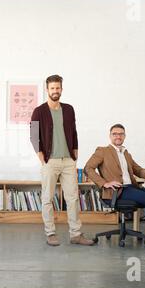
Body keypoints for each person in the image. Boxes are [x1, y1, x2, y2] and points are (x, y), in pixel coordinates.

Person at [30, 74, 94, 246]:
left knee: (72, 198)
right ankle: (50, 233)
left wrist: (75, 150)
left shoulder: (69, 109)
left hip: (68, 161)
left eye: (58, 88)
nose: (55, 91)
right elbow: (33, 135)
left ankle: (75, 234)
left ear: (61, 89)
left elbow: (73, 131)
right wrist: (40, 155)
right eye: (52, 88)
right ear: (47, 90)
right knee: (47, 198)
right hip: (50, 161)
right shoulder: (39, 111)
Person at [84, 124, 145, 247]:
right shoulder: (102, 151)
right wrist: (105, 183)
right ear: (110, 136)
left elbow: (137, 169)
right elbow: (88, 168)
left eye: (121, 134)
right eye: (115, 134)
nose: (118, 136)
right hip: (117, 190)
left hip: (131, 187)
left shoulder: (126, 153)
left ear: (124, 136)